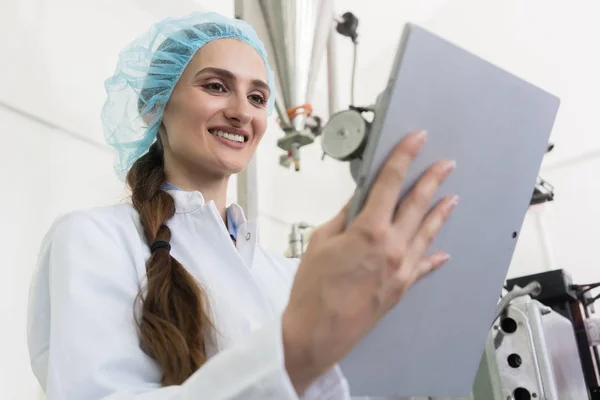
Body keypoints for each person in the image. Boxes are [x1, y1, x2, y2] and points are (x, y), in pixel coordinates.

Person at [26, 11, 458, 400]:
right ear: (154, 106)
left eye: (257, 98)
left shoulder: (289, 274)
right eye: (216, 86)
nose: (241, 112)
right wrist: (293, 351)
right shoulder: (94, 240)